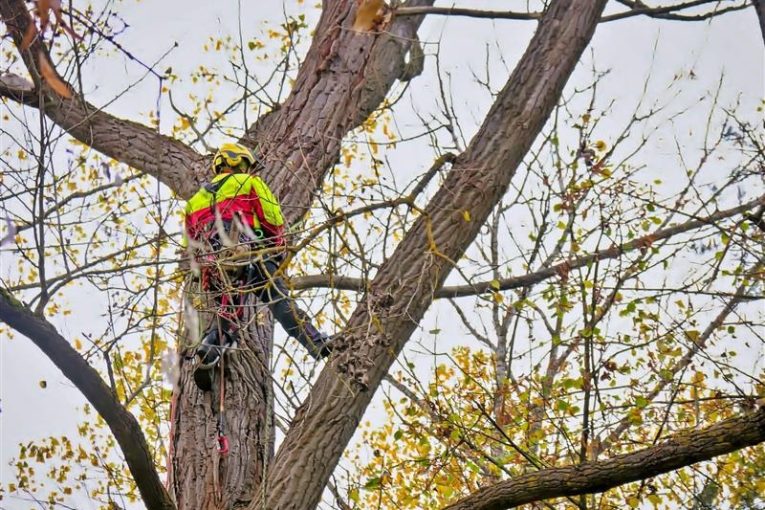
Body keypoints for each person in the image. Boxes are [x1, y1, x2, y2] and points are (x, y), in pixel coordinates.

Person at [183, 142, 331, 390]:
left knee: (227, 314)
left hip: (215, 265)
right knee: (279, 301)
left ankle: (209, 350)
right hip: (249, 253)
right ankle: (315, 342)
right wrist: (277, 245)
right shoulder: (249, 182)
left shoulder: (194, 201)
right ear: (237, 161)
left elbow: (190, 245)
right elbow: (272, 219)